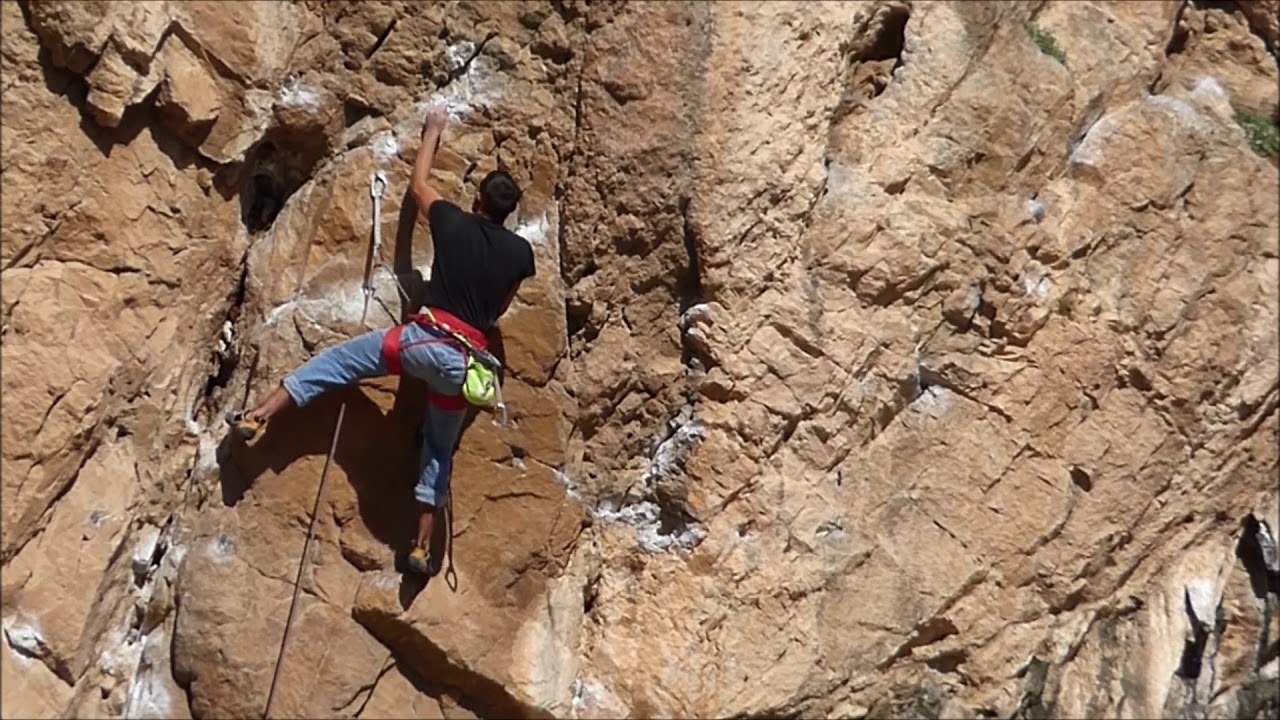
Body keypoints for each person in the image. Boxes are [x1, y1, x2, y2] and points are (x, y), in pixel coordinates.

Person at [230, 106, 536, 576]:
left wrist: (433, 132)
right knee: (437, 449)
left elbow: (418, 187)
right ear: (508, 211)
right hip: (461, 366)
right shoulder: (519, 253)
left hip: (419, 341)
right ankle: (420, 547)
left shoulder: (452, 221)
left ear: (477, 199)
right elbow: (498, 311)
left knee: (338, 364)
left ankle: (258, 416)